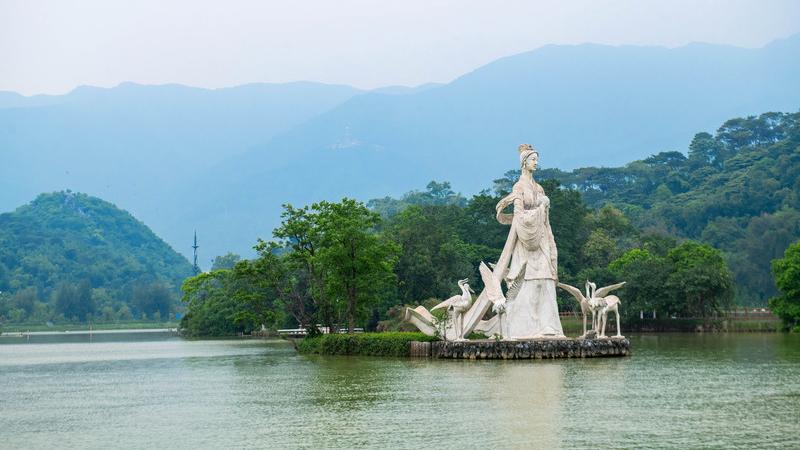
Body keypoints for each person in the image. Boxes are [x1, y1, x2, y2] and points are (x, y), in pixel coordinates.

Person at [493, 144, 564, 338]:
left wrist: (544, 207)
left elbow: (545, 218)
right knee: (527, 283)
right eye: (533, 159)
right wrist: (540, 207)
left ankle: (548, 326)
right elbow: (519, 215)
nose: (536, 163)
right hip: (525, 241)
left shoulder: (538, 187)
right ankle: (524, 327)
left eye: (537, 159)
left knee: (546, 279)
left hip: (541, 239)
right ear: (524, 162)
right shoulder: (519, 187)